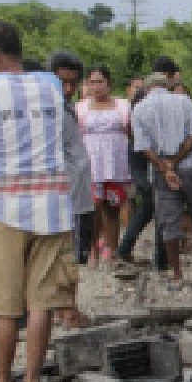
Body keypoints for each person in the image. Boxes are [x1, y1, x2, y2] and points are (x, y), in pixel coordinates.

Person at [0, 20, 75, 382]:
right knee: (42, 300)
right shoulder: (51, 84)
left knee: (3, 304)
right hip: (51, 204)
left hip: (2, 206)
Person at [131, 72, 192, 284]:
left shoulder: (139, 108)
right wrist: (175, 161)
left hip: (161, 173)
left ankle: (176, 272)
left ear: (147, 89)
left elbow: (143, 146)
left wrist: (164, 166)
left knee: (170, 220)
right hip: (190, 167)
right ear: (167, 85)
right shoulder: (184, 101)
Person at [45, 53, 96, 329]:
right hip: (63, 192)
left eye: (73, 82)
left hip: (74, 189)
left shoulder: (66, 106)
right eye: (62, 81)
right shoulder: (49, 108)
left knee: (69, 253)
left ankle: (61, 309)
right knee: (65, 254)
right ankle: (67, 311)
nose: (67, 88)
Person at [75, 65, 132, 265]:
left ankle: (113, 249)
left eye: (100, 81)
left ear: (109, 83)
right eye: (92, 82)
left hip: (115, 163)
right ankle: (92, 249)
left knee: (113, 207)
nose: (96, 86)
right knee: (93, 207)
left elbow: (131, 132)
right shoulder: (80, 107)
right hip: (90, 163)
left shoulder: (123, 105)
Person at [118, 84, 169, 271]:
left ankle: (126, 249)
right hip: (147, 171)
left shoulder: (138, 128)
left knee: (148, 210)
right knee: (157, 209)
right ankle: (160, 259)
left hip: (144, 171)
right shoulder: (144, 129)